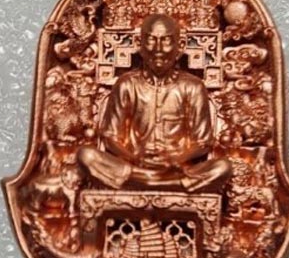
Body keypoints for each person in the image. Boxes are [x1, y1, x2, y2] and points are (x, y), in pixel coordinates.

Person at [78, 14, 231, 192]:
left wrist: (174, 159)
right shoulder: (127, 84)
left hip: (177, 170)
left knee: (223, 167)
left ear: (180, 45)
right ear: (139, 44)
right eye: (151, 40)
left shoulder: (193, 87)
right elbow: (110, 136)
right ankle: (167, 186)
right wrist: (135, 158)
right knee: (86, 155)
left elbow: (203, 142)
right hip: (133, 167)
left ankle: (144, 184)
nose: (158, 49)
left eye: (166, 40)